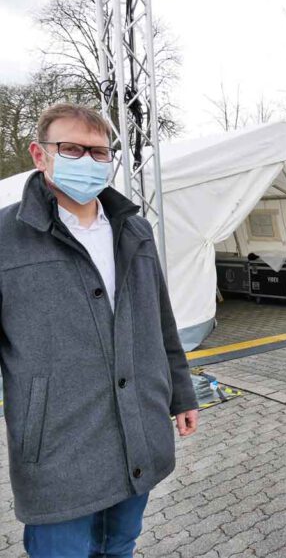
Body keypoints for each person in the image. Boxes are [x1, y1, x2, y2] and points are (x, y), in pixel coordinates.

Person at [0, 103, 199, 557]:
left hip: (137, 433)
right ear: (39, 154)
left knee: (119, 546)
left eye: (99, 152)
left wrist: (182, 394)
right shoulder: (6, 239)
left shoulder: (135, 229)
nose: (88, 162)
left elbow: (160, 321)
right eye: (72, 149)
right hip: (58, 451)